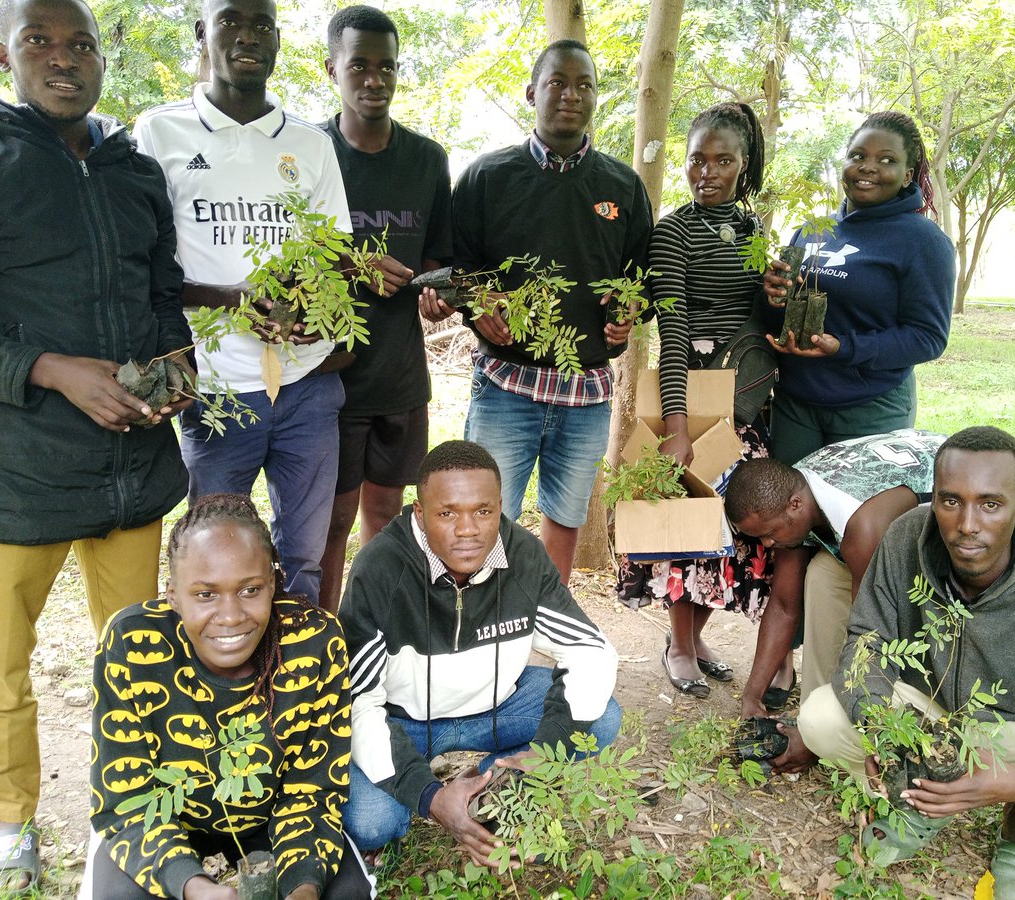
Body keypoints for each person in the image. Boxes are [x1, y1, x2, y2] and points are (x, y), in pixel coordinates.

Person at [0, 0, 191, 892]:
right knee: (2, 663)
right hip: (19, 467)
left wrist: (175, 364)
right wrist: (51, 369)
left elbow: (161, 296)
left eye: (79, 42)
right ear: (3, 52)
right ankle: (10, 822)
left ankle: (136, 811)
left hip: (131, 472)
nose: (63, 58)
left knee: (139, 653)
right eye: (39, 41)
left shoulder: (134, 170)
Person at [798, 426, 1015, 896]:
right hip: (930, 717)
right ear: (933, 498)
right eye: (950, 501)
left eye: (990, 504)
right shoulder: (907, 536)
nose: (967, 523)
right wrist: (884, 731)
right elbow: (866, 642)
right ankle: (918, 799)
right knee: (821, 717)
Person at [134, 0, 352, 605]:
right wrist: (231, 300)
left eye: (263, 26)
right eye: (231, 21)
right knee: (215, 559)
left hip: (307, 389)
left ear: (279, 42)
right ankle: (220, 690)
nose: (247, 36)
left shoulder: (309, 143)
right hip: (215, 389)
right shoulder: (159, 132)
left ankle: (294, 683)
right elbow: (142, 261)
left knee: (304, 558)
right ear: (203, 34)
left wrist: (312, 306)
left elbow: (334, 252)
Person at [424, 39, 653, 582]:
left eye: (585, 85)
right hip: (506, 385)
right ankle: (481, 630)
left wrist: (628, 312)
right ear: (532, 92)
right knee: (483, 517)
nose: (571, 95)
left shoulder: (622, 186)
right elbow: (460, 268)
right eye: (557, 82)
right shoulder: (487, 177)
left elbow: (640, 278)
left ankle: (543, 630)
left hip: (586, 392)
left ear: (597, 96)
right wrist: (478, 309)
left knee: (565, 517)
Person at [337, 440, 621, 867]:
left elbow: (589, 651)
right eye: (447, 513)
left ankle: (491, 785)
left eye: (483, 511)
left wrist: (543, 753)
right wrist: (429, 797)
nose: (467, 530)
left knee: (600, 718)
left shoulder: (522, 555)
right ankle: (443, 800)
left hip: (496, 707)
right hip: (404, 722)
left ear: (501, 506)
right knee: (371, 822)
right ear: (420, 512)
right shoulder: (380, 569)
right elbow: (359, 701)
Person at [83, 494, 374, 899]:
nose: (231, 615)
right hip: (163, 823)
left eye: (250, 589)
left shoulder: (315, 641)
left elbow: (312, 789)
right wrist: (196, 887)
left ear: (273, 583)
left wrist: (302, 889)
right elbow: (127, 799)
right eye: (205, 595)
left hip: (272, 825)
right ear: (172, 595)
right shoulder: (132, 645)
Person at [613, 102, 778, 699]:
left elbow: (761, 317)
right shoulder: (673, 232)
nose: (707, 172)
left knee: (734, 528)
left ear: (744, 164)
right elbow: (674, 329)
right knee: (685, 526)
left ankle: (698, 635)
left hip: (744, 401)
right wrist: (679, 425)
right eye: (696, 160)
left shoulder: (757, 231)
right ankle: (678, 645)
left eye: (722, 160)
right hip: (694, 397)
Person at [317, 5, 453, 612]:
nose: (374, 79)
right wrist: (353, 264)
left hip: (400, 373)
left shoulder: (427, 160)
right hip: (329, 374)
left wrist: (438, 296)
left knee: (386, 513)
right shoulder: (308, 153)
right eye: (359, 66)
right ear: (332, 70)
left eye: (386, 67)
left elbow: (441, 264)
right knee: (331, 519)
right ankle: (319, 641)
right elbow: (283, 260)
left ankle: (370, 629)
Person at [724, 429, 948, 743]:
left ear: (795, 505)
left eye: (769, 533)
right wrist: (752, 695)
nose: (766, 543)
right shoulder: (791, 494)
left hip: (956, 519)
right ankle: (815, 712)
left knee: (880, 625)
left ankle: (871, 726)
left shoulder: (862, 524)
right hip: (890, 504)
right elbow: (785, 607)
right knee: (821, 576)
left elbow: (869, 630)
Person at [763, 111, 954, 464]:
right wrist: (773, 296)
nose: (868, 167)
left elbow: (928, 337)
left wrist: (845, 348)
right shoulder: (813, 230)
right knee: (788, 515)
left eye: (887, 160)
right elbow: (785, 312)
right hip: (796, 405)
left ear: (907, 175)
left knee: (857, 518)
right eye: (858, 156)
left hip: (870, 406)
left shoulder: (924, 242)